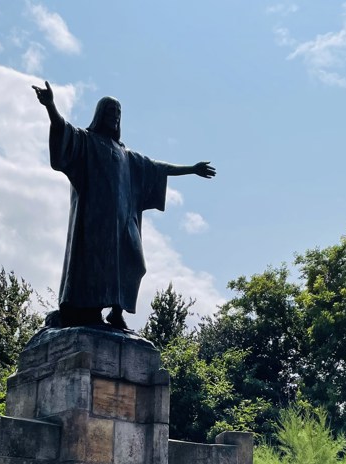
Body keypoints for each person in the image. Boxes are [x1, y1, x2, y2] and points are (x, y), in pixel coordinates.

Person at [33, 81, 216, 330]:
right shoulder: (87, 141)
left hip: (123, 223)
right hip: (94, 221)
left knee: (134, 262)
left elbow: (157, 167)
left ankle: (117, 311)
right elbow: (64, 132)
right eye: (110, 113)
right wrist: (51, 106)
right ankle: (93, 311)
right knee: (93, 265)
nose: (115, 118)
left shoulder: (127, 156)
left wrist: (191, 169)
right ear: (100, 115)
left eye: (118, 114)